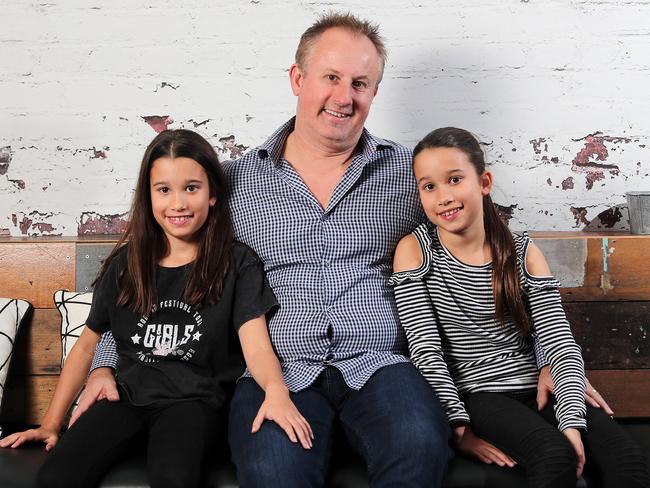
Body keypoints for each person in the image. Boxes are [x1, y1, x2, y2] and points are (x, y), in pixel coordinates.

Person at [74, 12, 612, 488]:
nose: (344, 95)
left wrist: (553, 362)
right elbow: (159, 266)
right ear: (297, 79)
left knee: (420, 447)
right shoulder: (234, 183)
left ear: (374, 93)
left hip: (382, 365)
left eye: (361, 83)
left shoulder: (411, 176)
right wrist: (105, 366)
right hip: (278, 368)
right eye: (331, 77)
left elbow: (487, 251)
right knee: (271, 469)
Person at [0, 129, 311, 488]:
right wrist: (51, 423)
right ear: (148, 197)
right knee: (55, 477)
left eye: (191, 188)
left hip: (195, 403)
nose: (177, 203)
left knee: (174, 477)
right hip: (126, 397)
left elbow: (256, 345)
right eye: (164, 190)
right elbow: (88, 345)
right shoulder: (126, 264)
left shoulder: (236, 264)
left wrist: (276, 391)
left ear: (212, 195)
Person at [390, 126, 650, 488]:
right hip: (480, 395)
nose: (443, 197)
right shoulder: (416, 251)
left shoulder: (521, 251)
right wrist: (459, 428)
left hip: (536, 384)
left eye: (454, 179)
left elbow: (558, 340)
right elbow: (425, 349)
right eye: (429, 186)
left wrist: (571, 420)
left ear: (484, 182)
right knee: (554, 456)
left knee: (629, 461)